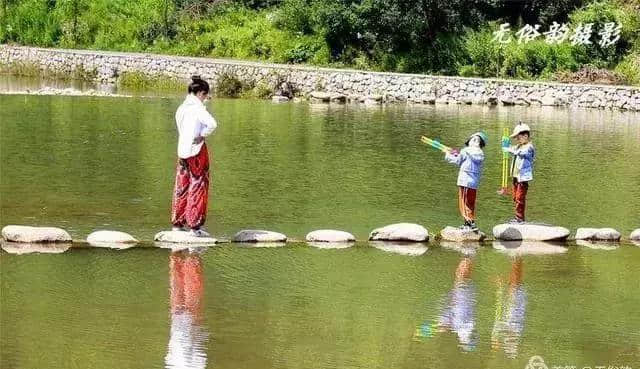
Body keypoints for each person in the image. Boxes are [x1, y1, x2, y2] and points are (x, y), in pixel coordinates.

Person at [171, 76, 218, 237]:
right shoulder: (198, 108)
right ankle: (194, 225)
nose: (205, 99)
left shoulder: (181, 108)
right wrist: (202, 135)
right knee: (198, 184)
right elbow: (212, 124)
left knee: (182, 185)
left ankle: (178, 223)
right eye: (205, 95)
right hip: (197, 149)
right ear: (200, 93)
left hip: (182, 149)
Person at [444, 132, 488, 231]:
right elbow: (461, 158)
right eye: (474, 139)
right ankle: (468, 223)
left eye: (476, 140)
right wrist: (456, 154)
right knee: (470, 203)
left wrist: (447, 154)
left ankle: (470, 223)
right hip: (474, 183)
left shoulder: (465, 151)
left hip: (464, 181)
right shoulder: (481, 153)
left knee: (463, 203)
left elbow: (457, 161)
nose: (475, 141)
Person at [503, 123, 535, 224]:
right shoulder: (518, 146)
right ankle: (517, 217)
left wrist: (508, 150)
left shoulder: (529, 147)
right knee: (515, 197)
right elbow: (512, 149)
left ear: (526, 136)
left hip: (523, 178)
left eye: (518, 137)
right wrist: (506, 144)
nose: (517, 139)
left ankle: (520, 218)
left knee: (520, 197)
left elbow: (521, 153)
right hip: (516, 176)